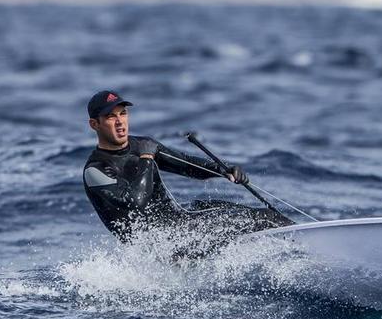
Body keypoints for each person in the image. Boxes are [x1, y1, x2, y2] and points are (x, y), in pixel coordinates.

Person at [82, 90, 291, 242]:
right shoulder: (95, 170)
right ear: (95, 124)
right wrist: (146, 158)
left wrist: (222, 169)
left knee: (255, 213)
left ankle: (300, 239)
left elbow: (185, 164)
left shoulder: (140, 144)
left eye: (123, 113)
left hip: (180, 222)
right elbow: (137, 202)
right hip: (161, 242)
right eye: (110, 116)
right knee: (262, 219)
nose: (120, 122)